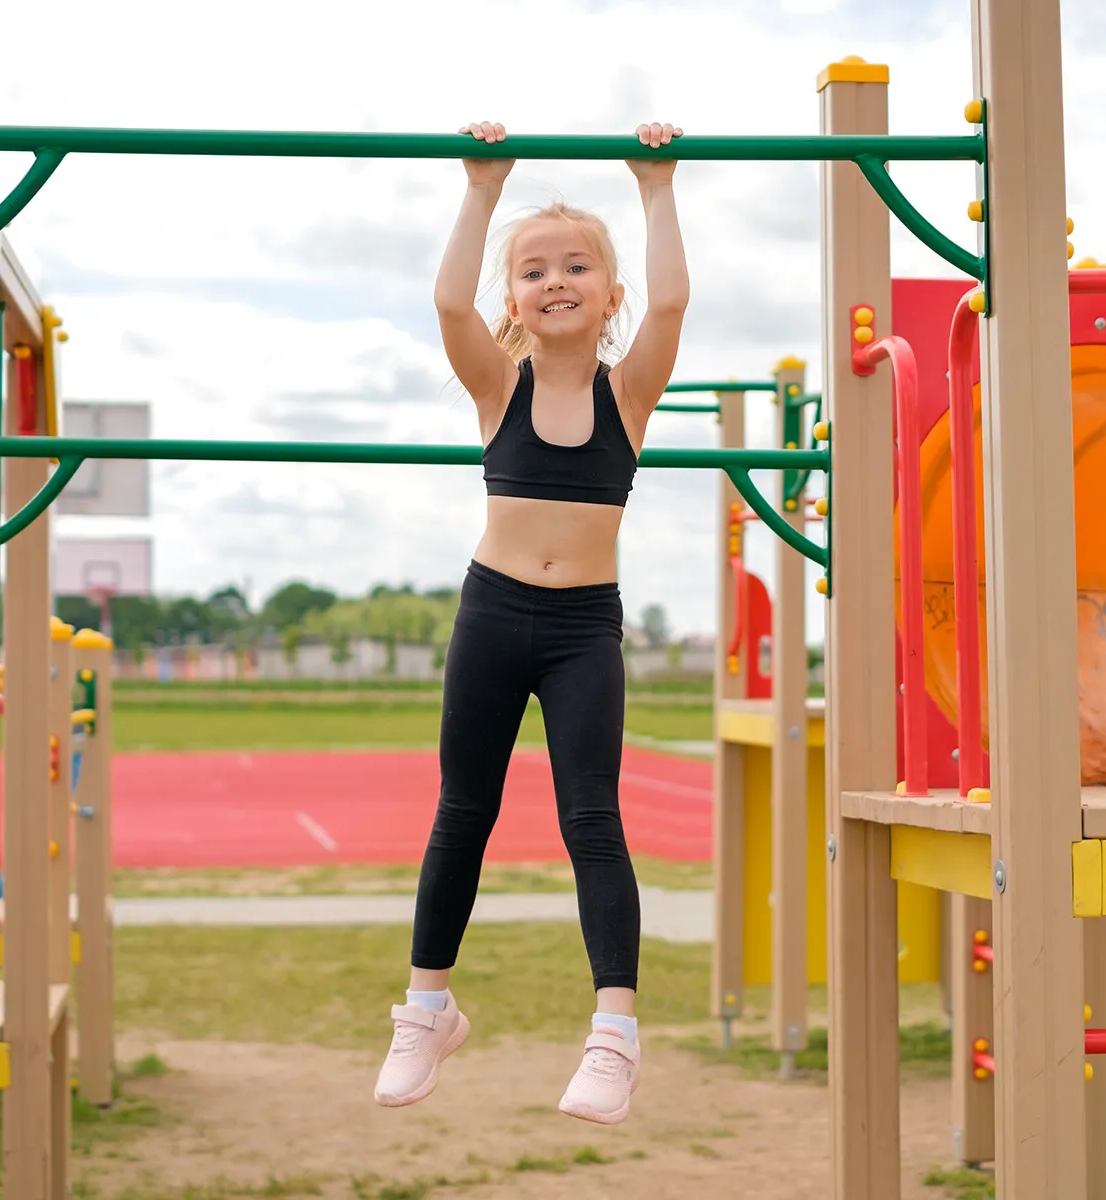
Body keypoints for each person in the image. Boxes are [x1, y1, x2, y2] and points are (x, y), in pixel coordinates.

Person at [373, 119, 688, 1125]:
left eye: (577, 267)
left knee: (591, 817)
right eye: (535, 271)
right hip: (495, 613)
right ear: (514, 297)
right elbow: (444, 299)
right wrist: (480, 189)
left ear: (608, 294)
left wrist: (654, 185)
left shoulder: (628, 393)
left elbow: (676, 297)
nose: (556, 281)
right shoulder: (495, 386)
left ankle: (614, 1035)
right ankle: (426, 1010)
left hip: (584, 628)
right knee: (462, 809)